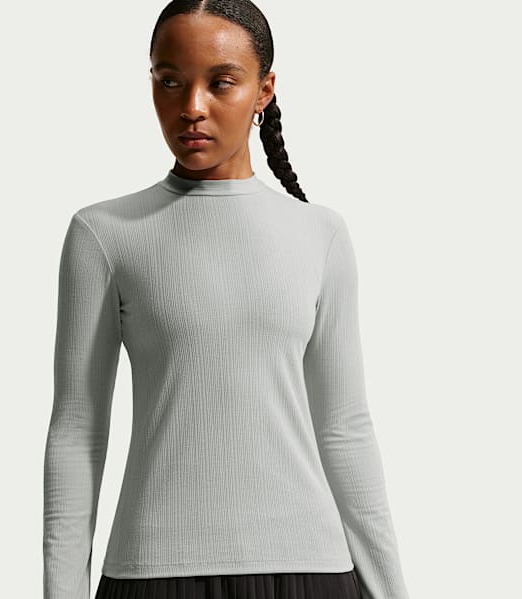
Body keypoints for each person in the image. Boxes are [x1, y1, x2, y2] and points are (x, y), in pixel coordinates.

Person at [43, 1, 410, 599]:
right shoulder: (104, 235)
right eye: (170, 81)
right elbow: (77, 432)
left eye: (221, 82)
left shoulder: (320, 234)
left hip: (310, 571)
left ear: (264, 90)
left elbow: (344, 428)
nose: (192, 106)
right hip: (151, 571)